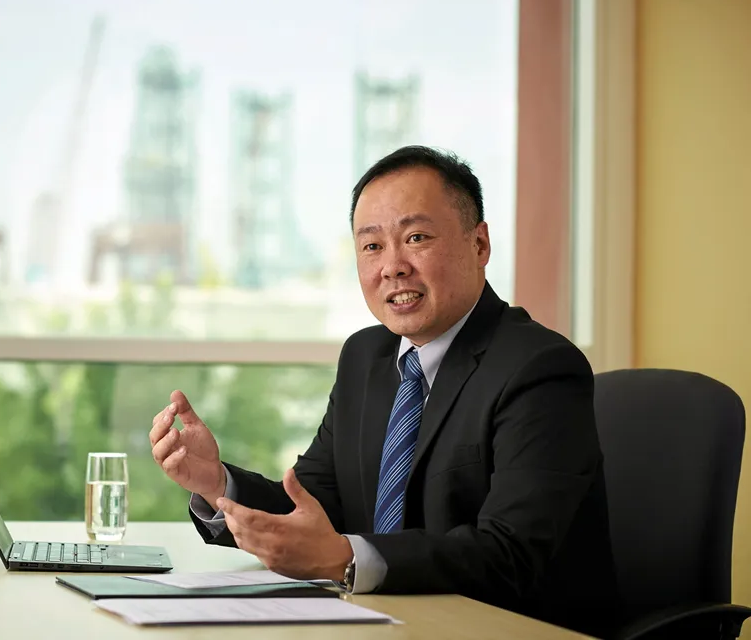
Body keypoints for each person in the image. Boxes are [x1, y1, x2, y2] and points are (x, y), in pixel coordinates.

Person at [148, 146, 619, 636]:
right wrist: (217, 484)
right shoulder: (366, 357)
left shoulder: (538, 367)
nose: (393, 266)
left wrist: (346, 559)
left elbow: (510, 553)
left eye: (416, 238)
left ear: (479, 245)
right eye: (372, 246)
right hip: (385, 625)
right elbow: (314, 506)